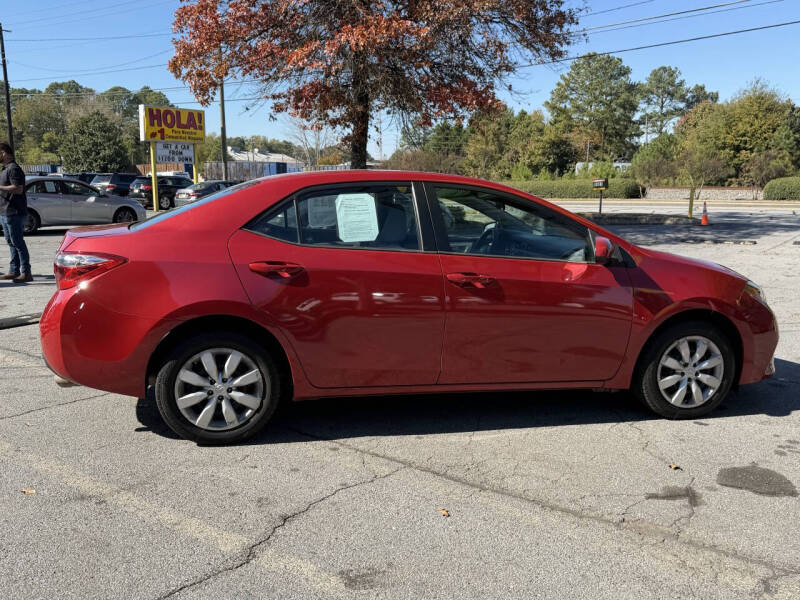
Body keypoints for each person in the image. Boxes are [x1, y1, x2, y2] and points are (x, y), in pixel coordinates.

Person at [0, 142, 32, 283]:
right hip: (5, 212)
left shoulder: (14, 169)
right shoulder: (5, 169)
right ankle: (14, 271)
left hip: (14, 212)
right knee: (11, 242)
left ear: (4, 153)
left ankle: (26, 272)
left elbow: (18, 189)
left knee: (18, 242)